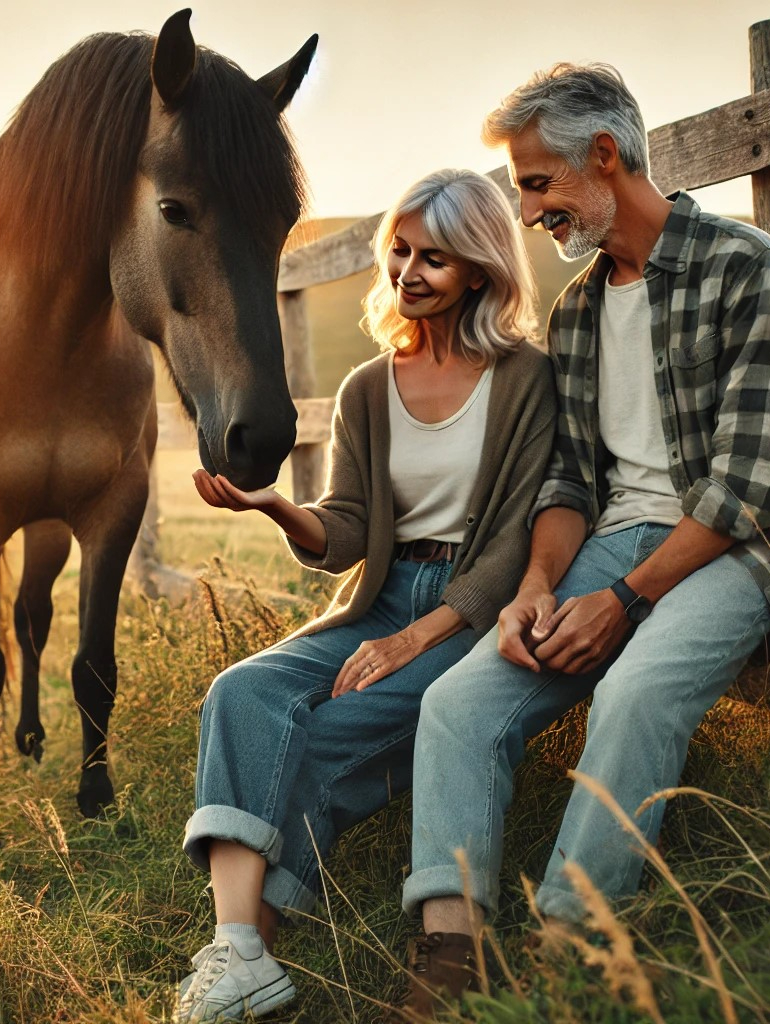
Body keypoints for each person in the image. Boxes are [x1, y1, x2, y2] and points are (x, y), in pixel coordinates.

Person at [397, 63, 770, 1016]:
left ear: (605, 155)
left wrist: (626, 599)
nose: (527, 210)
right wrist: (538, 585)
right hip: (614, 539)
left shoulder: (750, 267)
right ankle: (450, 955)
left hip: (742, 548)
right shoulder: (581, 309)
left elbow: (747, 487)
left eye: (538, 182)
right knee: (457, 704)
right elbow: (567, 481)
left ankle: (568, 953)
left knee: (635, 691)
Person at [174, 168, 557, 1023]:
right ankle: (237, 951)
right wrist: (278, 508)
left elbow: (517, 540)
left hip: (468, 607)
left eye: (434, 258)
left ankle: (252, 950)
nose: (407, 271)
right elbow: (346, 531)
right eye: (399, 250)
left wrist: (415, 641)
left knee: (326, 732)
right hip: (378, 597)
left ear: (483, 268)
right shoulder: (369, 388)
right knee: (244, 692)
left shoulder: (527, 379)